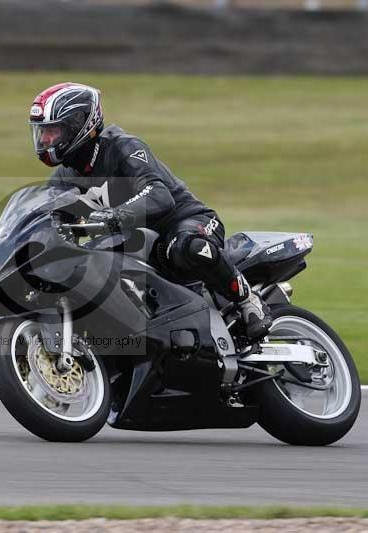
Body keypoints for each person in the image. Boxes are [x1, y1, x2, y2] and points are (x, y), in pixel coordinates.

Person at [29, 82, 272, 342]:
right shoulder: (64, 178)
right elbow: (49, 221)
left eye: (52, 131)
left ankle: (248, 301)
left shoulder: (124, 147)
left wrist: (117, 216)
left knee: (185, 246)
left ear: (79, 124)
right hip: (136, 243)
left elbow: (159, 195)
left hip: (186, 222)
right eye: (41, 132)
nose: (44, 140)